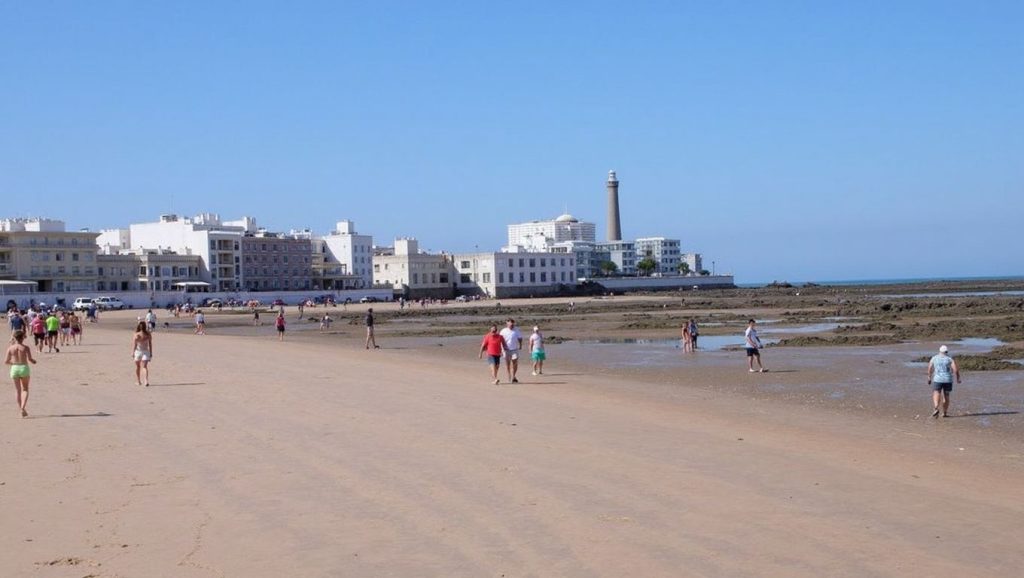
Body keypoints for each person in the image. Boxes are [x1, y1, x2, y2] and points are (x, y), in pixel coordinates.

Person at [5, 330, 37, 417]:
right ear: (23, 338)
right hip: (24, 367)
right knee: (25, 389)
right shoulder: (26, 348)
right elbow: (30, 359)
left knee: (18, 390)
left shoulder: (10, 348)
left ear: (15, 338)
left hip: (15, 368)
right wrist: (34, 361)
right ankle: (23, 408)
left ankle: (21, 409)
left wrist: (13, 363)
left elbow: (6, 361)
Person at [928, 345, 961, 418]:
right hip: (948, 380)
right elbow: (955, 370)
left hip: (937, 379)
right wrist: (958, 378)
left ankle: (936, 408)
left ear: (939, 351)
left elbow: (930, 368)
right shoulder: (949, 359)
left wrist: (929, 377)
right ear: (946, 352)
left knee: (936, 393)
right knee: (946, 395)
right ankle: (945, 413)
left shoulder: (934, 358)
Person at [499, 318, 523, 383]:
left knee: (515, 363)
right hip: (506, 349)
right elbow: (499, 340)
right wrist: (500, 349)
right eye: (510, 324)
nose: (511, 325)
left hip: (514, 349)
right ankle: (509, 375)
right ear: (507, 323)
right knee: (508, 364)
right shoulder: (503, 331)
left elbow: (520, 338)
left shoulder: (516, 330)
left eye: (512, 324)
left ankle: (513, 376)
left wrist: (520, 345)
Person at [131, 321, 154, 387]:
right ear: (145, 326)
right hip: (145, 351)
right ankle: (146, 381)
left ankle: (138, 381)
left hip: (138, 352)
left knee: (138, 367)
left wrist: (132, 352)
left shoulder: (136, 334)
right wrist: (151, 352)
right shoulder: (148, 334)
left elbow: (134, 345)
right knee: (144, 367)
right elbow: (150, 344)